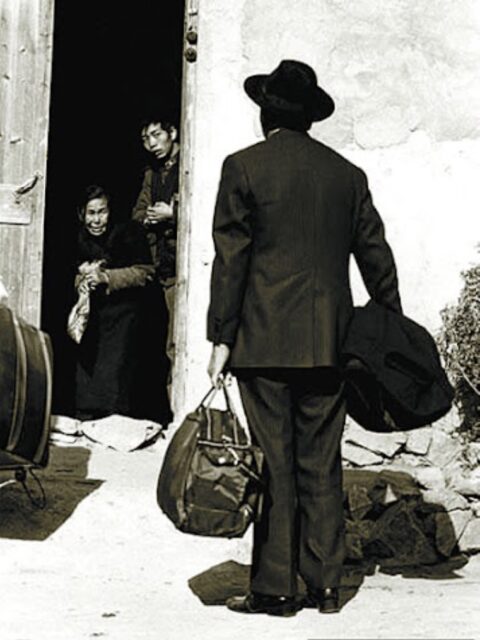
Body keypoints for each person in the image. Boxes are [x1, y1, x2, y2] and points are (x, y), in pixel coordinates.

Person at [207, 60, 402, 616]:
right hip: (330, 345)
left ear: (265, 114)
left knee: (275, 461)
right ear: (310, 118)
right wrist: (388, 325)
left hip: (263, 342)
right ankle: (325, 585)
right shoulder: (347, 175)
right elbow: (376, 257)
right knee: (321, 461)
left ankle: (276, 588)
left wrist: (221, 337)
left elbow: (231, 262)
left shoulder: (243, 167)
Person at [74, 184, 170, 422]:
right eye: (91, 213)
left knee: (117, 376)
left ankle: (115, 421)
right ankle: (88, 419)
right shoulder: (80, 238)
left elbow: (145, 272)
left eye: (102, 212)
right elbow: (72, 270)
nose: (97, 220)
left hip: (126, 314)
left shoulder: (129, 232)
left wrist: (107, 277)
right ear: (82, 215)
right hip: (97, 317)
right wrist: (81, 282)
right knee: (88, 373)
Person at [132, 114, 180, 380]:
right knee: (163, 343)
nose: (151, 144)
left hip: (182, 267)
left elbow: (203, 206)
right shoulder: (152, 173)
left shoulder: (188, 165)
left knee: (177, 342)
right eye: (145, 139)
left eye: (156, 135)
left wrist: (173, 214)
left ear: (172, 132)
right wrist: (150, 216)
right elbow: (138, 212)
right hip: (161, 265)